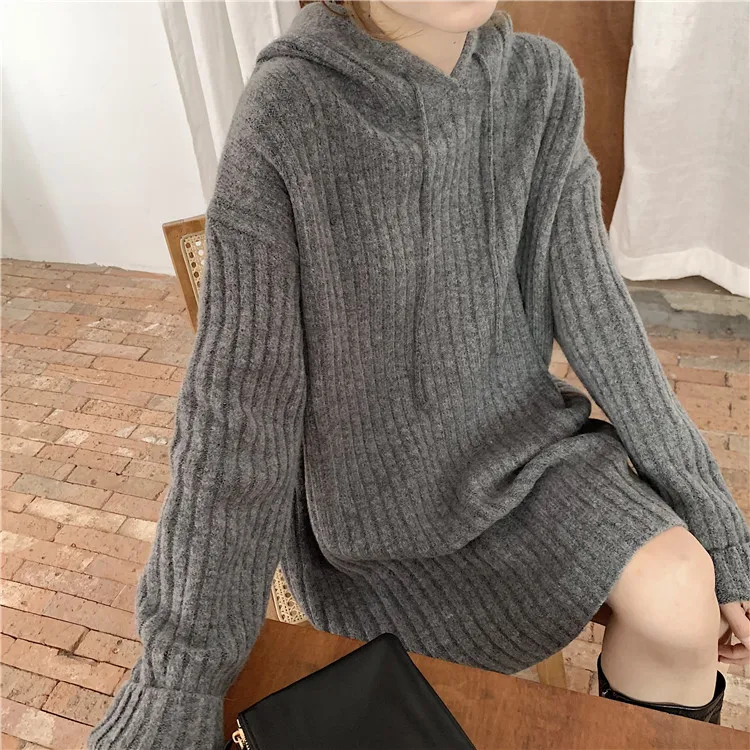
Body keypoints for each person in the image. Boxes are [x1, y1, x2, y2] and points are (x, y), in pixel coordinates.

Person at [89, 2, 750, 747]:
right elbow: (237, 418)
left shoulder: (539, 85)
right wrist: (177, 678)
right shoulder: (289, 115)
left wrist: (718, 527)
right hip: (376, 519)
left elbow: (606, 325)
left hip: (528, 460)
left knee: (682, 592)